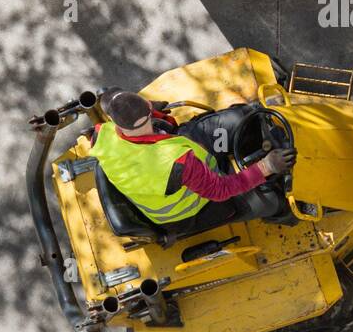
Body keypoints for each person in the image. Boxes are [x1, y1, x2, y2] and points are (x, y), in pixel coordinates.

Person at [88, 90, 295, 228]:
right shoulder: (175, 163)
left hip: (175, 153)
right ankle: (284, 213)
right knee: (270, 199)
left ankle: (252, 118)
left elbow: (127, 109)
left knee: (239, 118)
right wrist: (265, 166)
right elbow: (219, 190)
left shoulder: (102, 134)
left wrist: (153, 109)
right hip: (192, 208)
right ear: (147, 115)